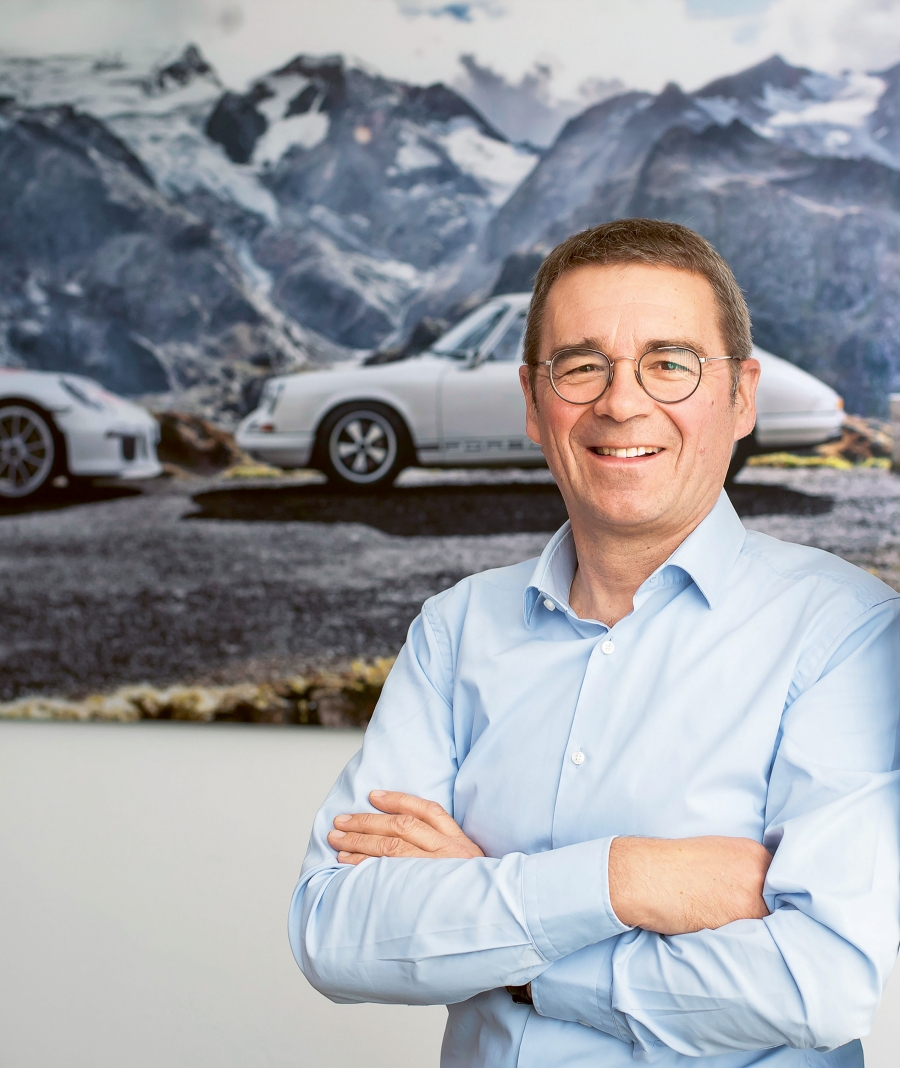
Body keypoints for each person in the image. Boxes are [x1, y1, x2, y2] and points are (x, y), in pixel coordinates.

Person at [288, 219, 900, 1068]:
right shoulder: (455, 630)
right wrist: (629, 879)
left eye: (670, 363)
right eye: (581, 367)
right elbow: (334, 930)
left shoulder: (848, 632)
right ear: (533, 404)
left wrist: (501, 933)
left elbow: (816, 984)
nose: (621, 402)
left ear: (741, 396)